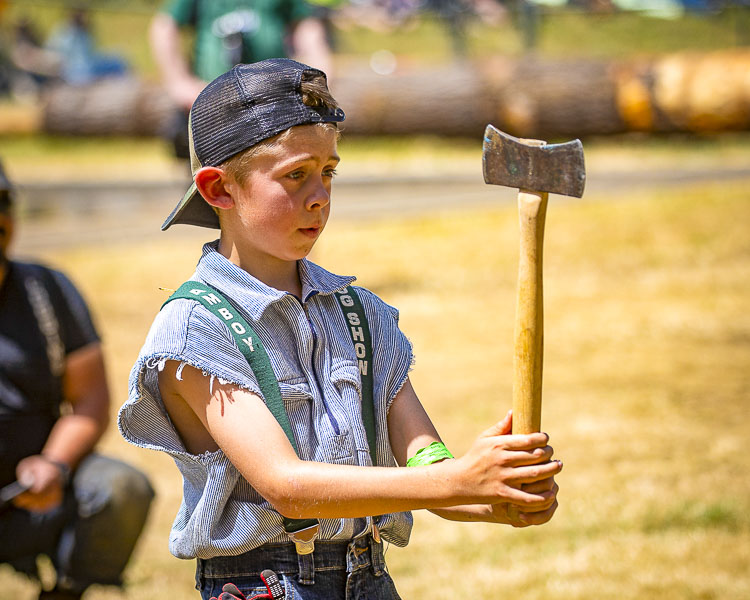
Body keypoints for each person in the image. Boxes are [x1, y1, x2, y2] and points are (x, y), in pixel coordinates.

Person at [118, 58, 561, 599]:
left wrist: (494, 492)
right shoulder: (197, 329)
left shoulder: (360, 314)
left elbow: (427, 463)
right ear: (218, 189)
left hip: (369, 580)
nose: (320, 197)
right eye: (295, 175)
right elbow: (288, 487)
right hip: (265, 586)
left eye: (328, 172)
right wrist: (455, 481)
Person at [0, 161, 155, 600]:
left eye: (3, 202)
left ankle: (68, 590)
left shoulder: (46, 290)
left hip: (35, 493)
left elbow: (89, 401)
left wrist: (53, 465)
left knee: (120, 488)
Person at [149, 0, 332, 159]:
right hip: (213, 104)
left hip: (272, 102)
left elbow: (307, 27)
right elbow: (165, 26)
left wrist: (315, 75)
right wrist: (178, 81)